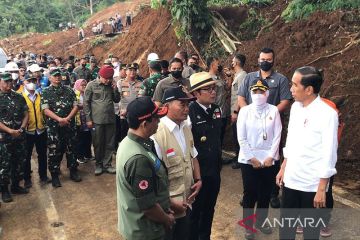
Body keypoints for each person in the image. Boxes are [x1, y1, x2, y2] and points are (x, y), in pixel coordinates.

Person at [276, 66, 338, 239]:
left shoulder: (328, 114)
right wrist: (283, 167)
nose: (291, 89)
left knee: (311, 233)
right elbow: (291, 139)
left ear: (309, 90)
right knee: (286, 231)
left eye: (295, 85)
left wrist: (321, 189)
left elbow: (329, 154)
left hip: (311, 186)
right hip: (291, 180)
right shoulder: (296, 108)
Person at [238, 47, 292, 208]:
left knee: (270, 170)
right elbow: (241, 97)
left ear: (273, 60)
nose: (265, 62)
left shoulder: (280, 79)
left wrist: (271, 113)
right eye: (263, 59)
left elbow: (285, 100)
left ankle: (273, 193)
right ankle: (250, 198)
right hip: (250, 124)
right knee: (250, 187)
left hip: (271, 125)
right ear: (258, 59)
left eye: (268, 59)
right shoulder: (248, 78)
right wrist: (251, 111)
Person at [116, 96, 175, 240]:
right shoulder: (139, 158)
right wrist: (167, 219)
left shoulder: (130, 143)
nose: (159, 121)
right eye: (155, 118)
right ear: (144, 123)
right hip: (147, 231)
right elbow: (148, 207)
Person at [152, 86, 201, 240]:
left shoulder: (185, 127)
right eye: (182, 104)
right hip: (168, 208)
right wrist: (170, 203)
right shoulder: (157, 134)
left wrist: (198, 179)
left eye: (188, 104)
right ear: (166, 106)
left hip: (186, 201)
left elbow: (193, 155)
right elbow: (154, 178)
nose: (187, 109)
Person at [237, 79, 282, 239]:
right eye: (255, 91)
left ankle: (261, 222)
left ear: (267, 93)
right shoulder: (245, 111)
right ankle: (248, 226)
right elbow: (241, 138)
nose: (258, 95)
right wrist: (251, 158)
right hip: (249, 160)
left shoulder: (274, 111)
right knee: (250, 193)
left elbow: (277, 135)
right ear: (250, 93)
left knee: (265, 193)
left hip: (269, 160)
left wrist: (271, 156)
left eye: (261, 91)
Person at [188, 72, 222, 240]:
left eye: (213, 88)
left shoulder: (216, 110)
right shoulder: (189, 113)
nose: (213, 92)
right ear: (196, 94)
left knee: (209, 209)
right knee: (196, 213)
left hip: (214, 171)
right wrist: (196, 176)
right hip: (199, 174)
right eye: (207, 89)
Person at [41, 68, 81, 187]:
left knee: (72, 149)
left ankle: (73, 171)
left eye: (59, 75)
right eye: (55, 76)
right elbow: (45, 110)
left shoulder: (69, 90)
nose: (57, 77)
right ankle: (54, 175)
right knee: (55, 151)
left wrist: (67, 118)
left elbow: (76, 106)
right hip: (54, 128)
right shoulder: (45, 92)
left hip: (69, 125)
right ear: (50, 78)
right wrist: (59, 119)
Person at [84, 65, 120, 175]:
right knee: (98, 143)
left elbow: (117, 99)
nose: (108, 81)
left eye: (110, 79)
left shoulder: (111, 85)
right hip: (96, 120)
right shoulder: (91, 85)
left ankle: (107, 164)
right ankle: (99, 164)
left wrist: (115, 89)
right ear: (100, 76)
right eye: (106, 78)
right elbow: (86, 103)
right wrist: (88, 119)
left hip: (110, 119)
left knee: (110, 143)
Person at [0, 73, 29, 202]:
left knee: (19, 161)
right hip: (4, 138)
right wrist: (9, 130)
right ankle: (4, 190)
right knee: (4, 165)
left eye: (10, 82)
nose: (8, 84)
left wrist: (22, 128)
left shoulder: (19, 97)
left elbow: (26, 114)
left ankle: (16, 186)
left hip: (19, 135)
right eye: (5, 82)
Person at [22, 74, 49, 188]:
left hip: (41, 130)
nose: (32, 83)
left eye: (33, 80)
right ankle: (27, 178)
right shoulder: (21, 97)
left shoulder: (41, 95)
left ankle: (43, 176)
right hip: (28, 131)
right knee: (26, 156)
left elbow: (45, 110)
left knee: (42, 154)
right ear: (24, 82)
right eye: (29, 81)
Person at [207, 57, 231, 162]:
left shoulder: (218, 77)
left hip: (223, 111)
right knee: (214, 135)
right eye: (217, 64)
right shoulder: (208, 78)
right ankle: (214, 158)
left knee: (220, 134)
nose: (219, 66)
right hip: (214, 112)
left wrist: (229, 76)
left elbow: (227, 87)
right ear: (212, 65)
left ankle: (219, 156)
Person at [230, 53, 247, 169]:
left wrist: (236, 112)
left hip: (239, 112)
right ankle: (237, 157)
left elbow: (241, 95)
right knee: (235, 135)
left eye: (232, 61)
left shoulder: (242, 76)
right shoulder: (237, 75)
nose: (231, 63)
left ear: (236, 63)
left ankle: (241, 159)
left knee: (239, 136)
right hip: (235, 111)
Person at [118, 63, 142, 142]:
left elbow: (139, 99)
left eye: (134, 70)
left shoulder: (140, 83)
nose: (132, 72)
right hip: (124, 116)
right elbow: (118, 98)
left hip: (136, 115)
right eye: (130, 70)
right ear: (126, 71)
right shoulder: (120, 83)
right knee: (124, 138)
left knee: (136, 138)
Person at [74, 79, 93, 164]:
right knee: (80, 138)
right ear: (78, 85)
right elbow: (75, 106)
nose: (84, 87)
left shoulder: (87, 93)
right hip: (79, 119)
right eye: (82, 85)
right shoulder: (75, 94)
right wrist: (84, 106)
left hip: (87, 118)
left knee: (88, 137)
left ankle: (88, 155)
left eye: (85, 85)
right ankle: (80, 156)